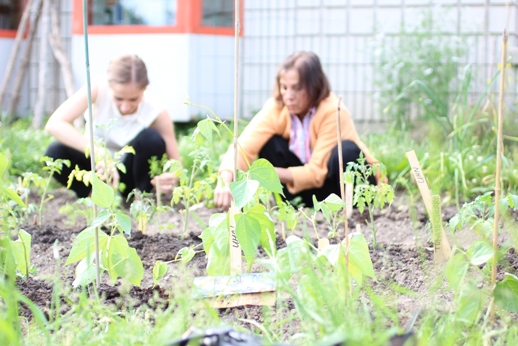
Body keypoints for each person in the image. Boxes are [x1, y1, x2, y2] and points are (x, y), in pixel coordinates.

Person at [214, 51, 381, 210]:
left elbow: (316, 173)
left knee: (347, 151)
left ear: (314, 86)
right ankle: (293, 205)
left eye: (297, 88)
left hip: (336, 189)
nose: (289, 96)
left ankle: (360, 209)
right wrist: (226, 181)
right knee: (271, 145)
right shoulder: (277, 108)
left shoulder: (333, 110)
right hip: (302, 191)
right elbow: (243, 146)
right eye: (284, 87)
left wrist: (264, 173)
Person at [44, 54, 181, 198]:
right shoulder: (97, 88)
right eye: (118, 98)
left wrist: (171, 177)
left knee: (152, 138)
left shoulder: (156, 109)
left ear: (144, 89)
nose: (125, 107)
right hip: (97, 169)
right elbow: (55, 124)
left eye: (134, 99)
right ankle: (94, 196)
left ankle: (140, 197)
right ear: (109, 86)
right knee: (55, 152)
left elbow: (177, 165)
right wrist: (99, 153)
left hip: (129, 174)